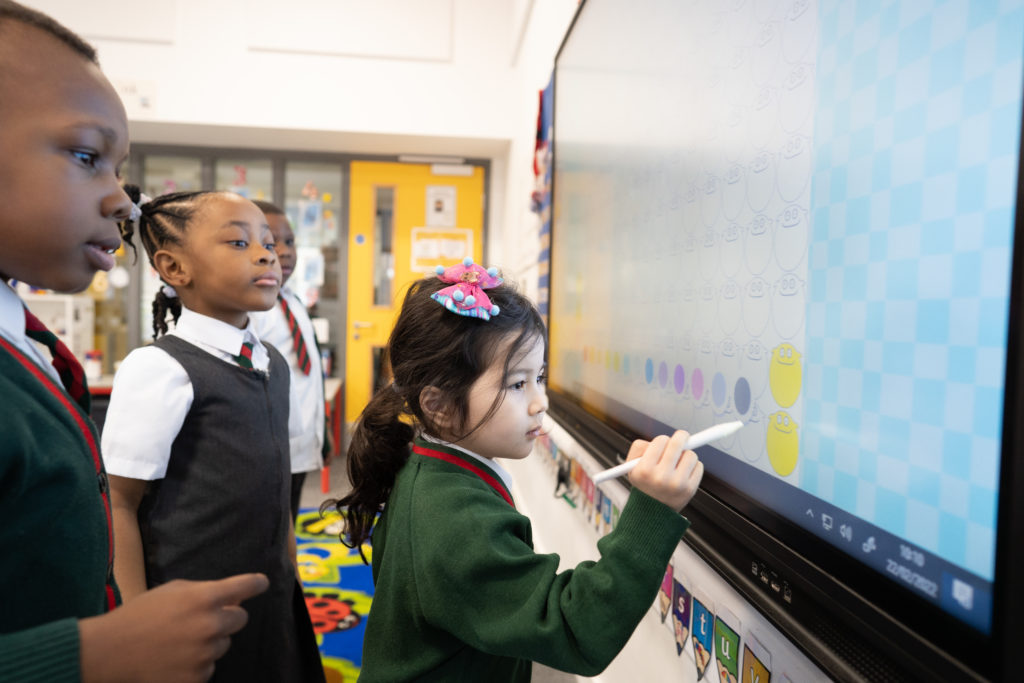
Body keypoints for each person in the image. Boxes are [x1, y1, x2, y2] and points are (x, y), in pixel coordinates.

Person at [0, 3, 270, 682]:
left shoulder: (23, 345)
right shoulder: (167, 367)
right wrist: (92, 654)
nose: (122, 201)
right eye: (87, 155)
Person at [325, 259, 705, 681]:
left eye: (539, 376)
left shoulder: (429, 464)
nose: (540, 401)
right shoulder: (456, 519)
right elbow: (576, 630)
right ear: (440, 407)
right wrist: (651, 510)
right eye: (517, 384)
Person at [101, 188, 325, 682]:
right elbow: (118, 502)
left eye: (268, 242)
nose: (268, 253)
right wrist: (137, 625)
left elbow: (273, 481)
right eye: (239, 243)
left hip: (269, 594)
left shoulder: (274, 363)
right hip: (191, 603)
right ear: (175, 268)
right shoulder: (160, 367)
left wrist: (287, 565)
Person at [250, 200, 328, 522]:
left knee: (289, 520)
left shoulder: (292, 300)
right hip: (269, 445)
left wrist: (321, 428)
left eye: (290, 242)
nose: (283, 251)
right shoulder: (252, 306)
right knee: (270, 523)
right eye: (270, 243)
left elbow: (309, 373)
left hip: (303, 436)